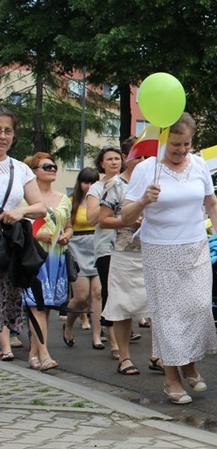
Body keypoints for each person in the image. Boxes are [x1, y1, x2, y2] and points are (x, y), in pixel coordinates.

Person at [122, 113, 217, 404]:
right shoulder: (146, 170)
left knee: (199, 308)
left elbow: (211, 202)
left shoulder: (199, 164)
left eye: (187, 144)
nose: (181, 150)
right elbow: (125, 216)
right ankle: (171, 378)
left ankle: (189, 364)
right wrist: (143, 201)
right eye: (176, 144)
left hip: (196, 246)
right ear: (163, 139)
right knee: (168, 316)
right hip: (160, 249)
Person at [0, 107, 46, 362]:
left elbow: (41, 208)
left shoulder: (20, 169)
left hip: (8, 248)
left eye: (8, 130)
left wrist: (21, 211)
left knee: (8, 299)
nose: (3, 136)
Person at [22, 153, 73, 371]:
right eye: (46, 166)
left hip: (56, 257)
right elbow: (19, 228)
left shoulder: (63, 198)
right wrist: (36, 236)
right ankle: (44, 353)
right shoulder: (26, 199)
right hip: (34, 256)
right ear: (34, 171)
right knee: (36, 304)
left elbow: (69, 225)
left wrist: (67, 235)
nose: (52, 169)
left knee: (47, 307)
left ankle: (33, 354)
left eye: (54, 166)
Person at [99, 151, 149, 375]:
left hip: (153, 250)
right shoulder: (116, 185)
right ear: (127, 159)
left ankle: (158, 356)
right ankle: (125, 357)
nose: (142, 162)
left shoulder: (156, 183)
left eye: (146, 158)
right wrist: (127, 220)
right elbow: (103, 219)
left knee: (158, 306)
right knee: (123, 306)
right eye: (138, 157)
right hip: (125, 251)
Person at [87, 145, 126, 360]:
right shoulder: (96, 188)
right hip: (106, 246)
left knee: (126, 293)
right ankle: (112, 341)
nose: (114, 162)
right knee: (110, 293)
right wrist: (107, 192)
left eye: (117, 158)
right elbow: (93, 218)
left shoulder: (128, 183)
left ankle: (124, 337)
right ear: (101, 163)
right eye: (109, 159)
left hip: (129, 246)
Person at [64, 167, 104, 348]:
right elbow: (67, 226)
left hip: (97, 245)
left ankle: (97, 336)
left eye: (93, 182)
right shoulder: (71, 201)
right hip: (77, 246)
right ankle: (69, 325)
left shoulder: (102, 200)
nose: (89, 186)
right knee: (81, 296)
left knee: (97, 293)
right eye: (86, 182)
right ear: (79, 183)